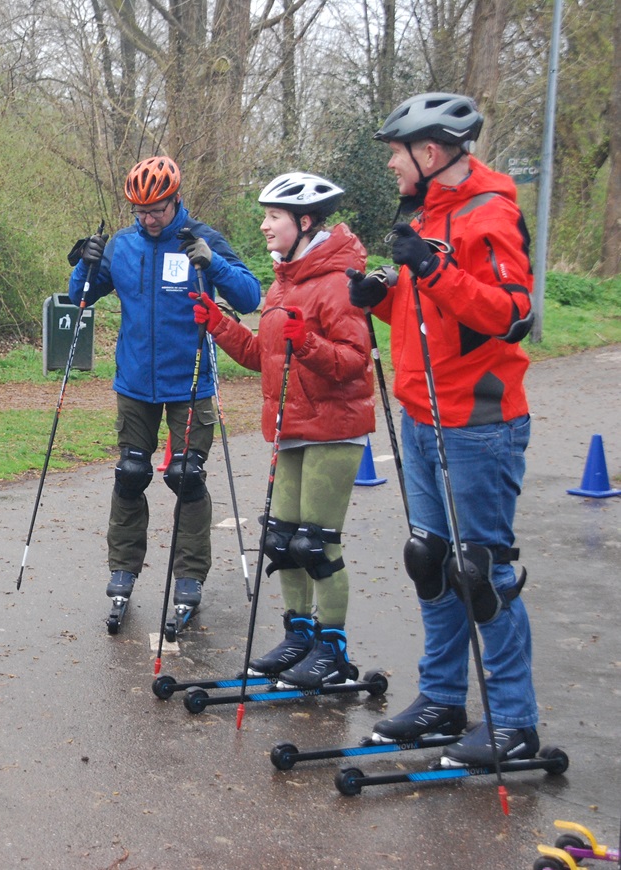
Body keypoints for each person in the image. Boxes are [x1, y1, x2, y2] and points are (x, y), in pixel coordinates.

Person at [348, 93, 538, 766]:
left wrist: (434, 268)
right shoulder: (425, 214)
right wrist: (383, 296)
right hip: (421, 414)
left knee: (479, 571)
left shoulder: (491, 213)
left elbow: (511, 314)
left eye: (397, 153)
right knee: (429, 559)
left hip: (478, 422)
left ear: (430, 152)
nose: (391, 165)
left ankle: (514, 723)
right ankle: (442, 700)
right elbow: (430, 314)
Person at [193, 172, 373, 687]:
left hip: (333, 430)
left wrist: (308, 343)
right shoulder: (283, 282)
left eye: (274, 216)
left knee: (316, 544)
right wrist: (219, 323)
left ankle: (332, 650)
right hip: (291, 427)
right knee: (282, 540)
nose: (265, 225)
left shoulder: (338, 282)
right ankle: (299, 637)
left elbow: (354, 361)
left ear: (305, 221)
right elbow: (263, 355)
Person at [68, 155, 260, 615]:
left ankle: (189, 575)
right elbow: (80, 297)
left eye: (156, 210)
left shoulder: (202, 239)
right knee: (130, 473)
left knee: (186, 475)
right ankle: (123, 569)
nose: (149, 220)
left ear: (176, 200)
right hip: (135, 382)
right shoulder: (123, 244)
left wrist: (213, 264)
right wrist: (85, 265)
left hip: (190, 382)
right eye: (141, 212)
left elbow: (249, 296)